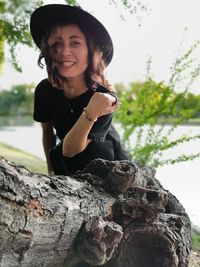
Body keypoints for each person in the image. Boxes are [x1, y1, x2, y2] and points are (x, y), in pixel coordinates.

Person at [30, 4, 130, 175]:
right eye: (57, 43)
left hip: (109, 172)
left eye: (75, 43)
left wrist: (92, 110)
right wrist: (50, 171)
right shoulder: (44, 90)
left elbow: (71, 149)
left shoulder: (103, 98)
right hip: (67, 169)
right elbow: (47, 133)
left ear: (92, 50)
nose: (64, 52)